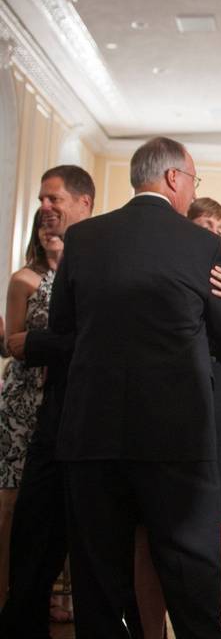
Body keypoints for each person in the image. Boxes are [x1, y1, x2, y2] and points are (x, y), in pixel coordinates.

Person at [50, 137, 221, 638]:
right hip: (175, 440)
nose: (191, 191)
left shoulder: (84, 238)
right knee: (191, 586)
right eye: (193, 181)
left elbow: (63, 326)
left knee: (97, 587)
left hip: (91, 435)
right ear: (175, 179)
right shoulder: (202, 243)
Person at [133, 196, 221, 639]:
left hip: (217, 408)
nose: (214, 232)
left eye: (220, 226)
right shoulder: (161, 274)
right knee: (150, 532)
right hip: (161, 407)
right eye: (205, 224)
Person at [0, 165, 94, 638]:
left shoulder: (98, 262)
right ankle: (20, 609)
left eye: (54, 199)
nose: (46, 209)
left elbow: (90, 338)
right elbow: (11, 341)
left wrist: (32, 344)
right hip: (33, 404)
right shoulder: (26, 279)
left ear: (83, 203)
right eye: (41, 201)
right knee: (28, 519)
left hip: (81, 409)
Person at [0, 209, 63, 608]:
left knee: (59, 504)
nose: (48, 230)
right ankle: (8, 594)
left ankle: (55, 594)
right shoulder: (24, 279)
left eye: (53, 222)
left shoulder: (82, 275)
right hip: (25, 395)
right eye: (41, 224)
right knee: (14, 501)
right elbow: (12, 342)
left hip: (64, 394)